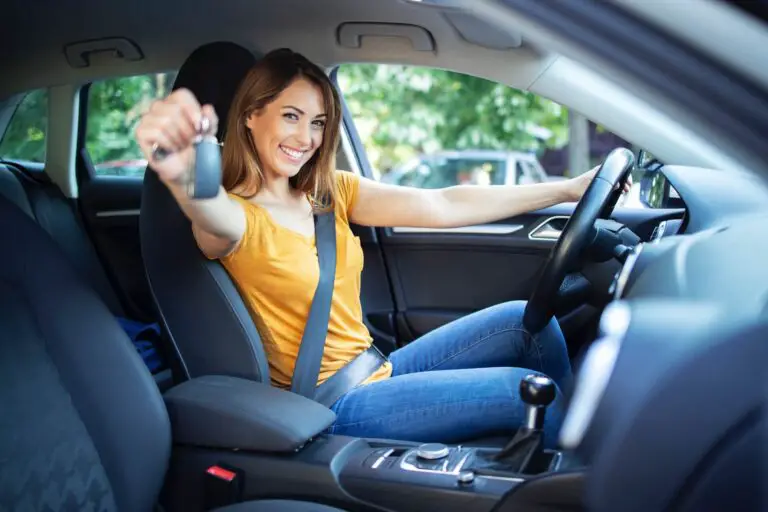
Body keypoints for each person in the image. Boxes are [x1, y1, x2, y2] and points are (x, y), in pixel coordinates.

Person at [135, 48, 622, 447]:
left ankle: (567, 448)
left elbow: (441, 205)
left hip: (376, 367)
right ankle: (571, 486)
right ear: (248, 118)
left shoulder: (330, 192)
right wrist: (181, 176)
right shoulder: (237, 219)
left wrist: (564, 190)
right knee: (527, 395)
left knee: (527, 323)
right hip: (332, 405)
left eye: (318, 122)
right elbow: (207, 211)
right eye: (290, 116)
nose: (306, 138)